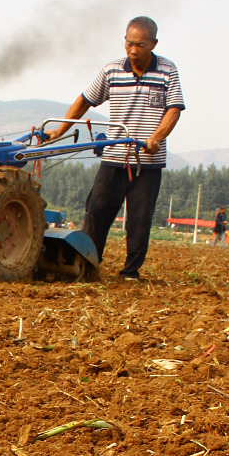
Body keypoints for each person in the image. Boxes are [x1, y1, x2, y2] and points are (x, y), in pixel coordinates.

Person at [49, 17, 185, 282]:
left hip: (148, 161)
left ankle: (130, 272)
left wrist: (157, 137)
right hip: (114, 156)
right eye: (129, 43)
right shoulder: (111, 70)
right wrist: (59, 130)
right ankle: (89, 265)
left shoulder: (168, 70)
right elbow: (85, 100)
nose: (133, 50)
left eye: (140, 45)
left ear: (153, 44)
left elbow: (174, 109)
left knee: (139, 220)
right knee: (96, 210)